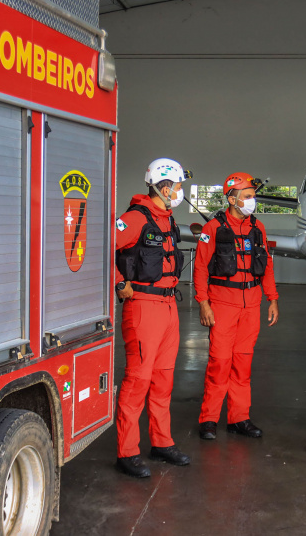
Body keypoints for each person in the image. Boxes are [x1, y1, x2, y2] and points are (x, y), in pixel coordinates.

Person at [113, 158, 192, 478]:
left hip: (169, 307)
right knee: (138, 381)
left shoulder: (168, 220)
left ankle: (161, 442)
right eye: (177, 186)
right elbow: (101, 250)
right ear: (163, 186)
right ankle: (127, 450)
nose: (180, 192)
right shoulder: (134, 219)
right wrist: (118, 284)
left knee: (163, 380)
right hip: (143, 307)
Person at [194, 172, 280, 440]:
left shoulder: (258, 228)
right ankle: (209, 419)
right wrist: (203, 303)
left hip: (251, 305)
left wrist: (272, 298)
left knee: (243, 363)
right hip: (222, 304)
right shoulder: (214, 229)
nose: (252, 201)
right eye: (247, 196)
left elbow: (266, 265)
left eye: (253, 196)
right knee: (220, 362)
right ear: (231, 199)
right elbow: (199, 269)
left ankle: (239, 418)